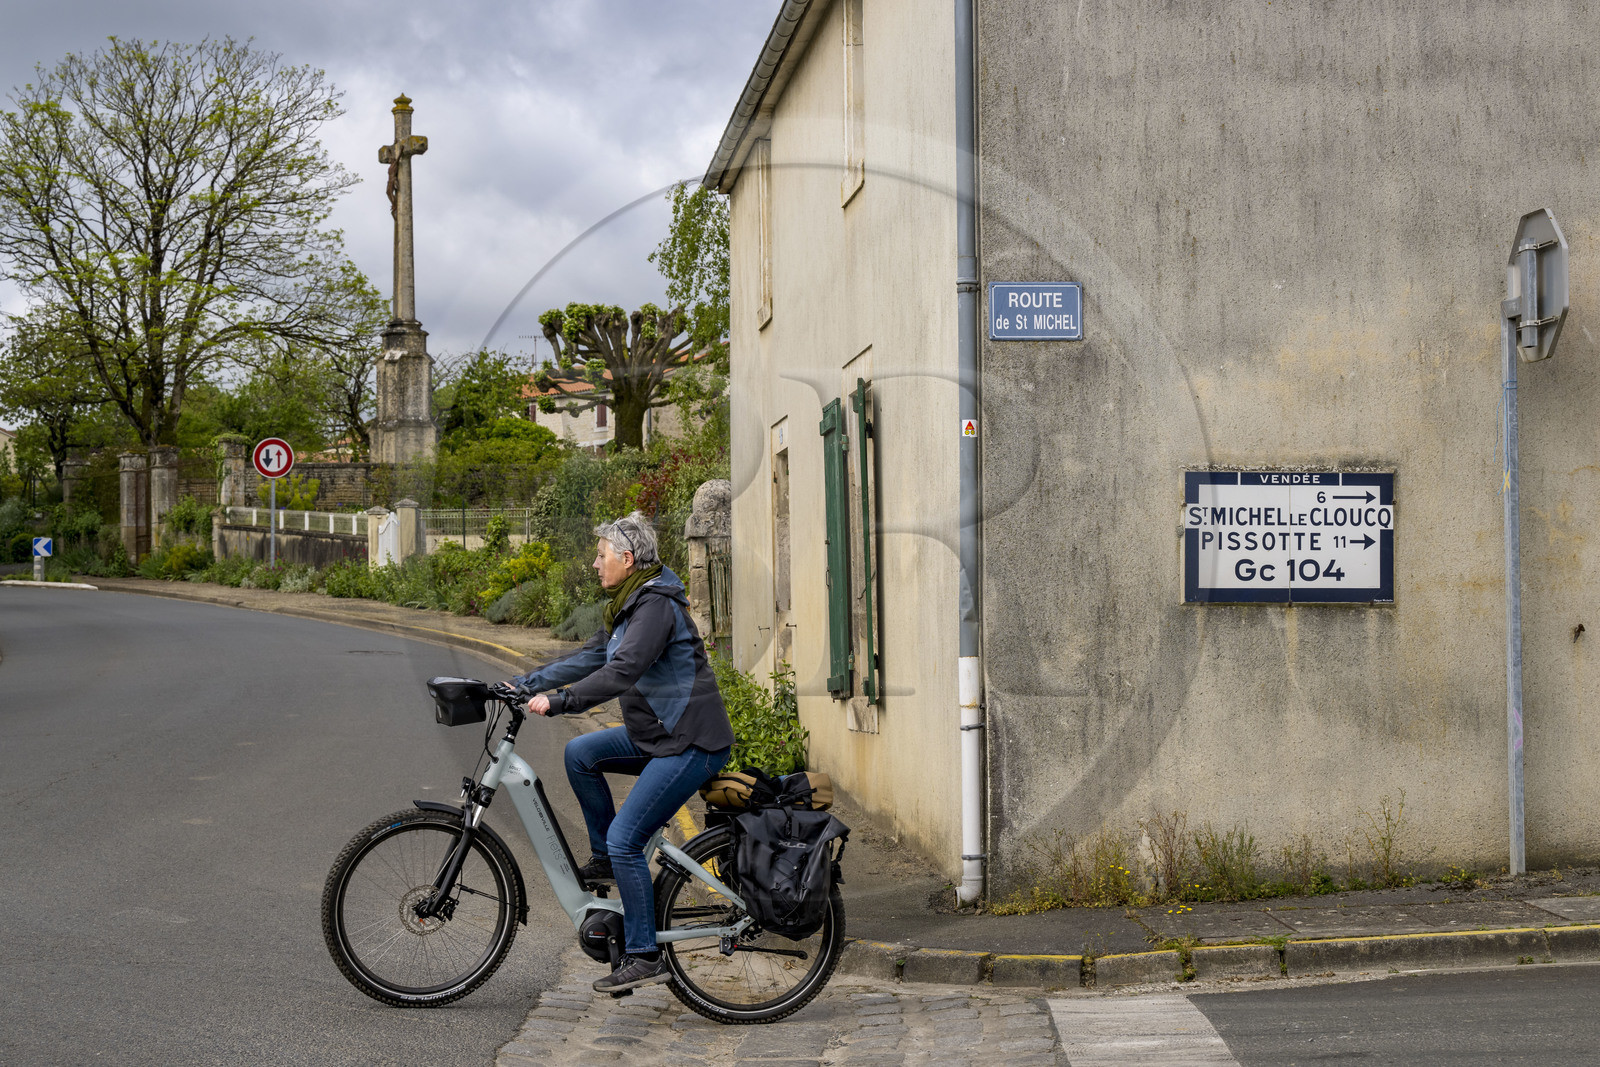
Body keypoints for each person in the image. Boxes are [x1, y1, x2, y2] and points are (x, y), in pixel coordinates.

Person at [505, 511, 734, 993]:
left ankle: (644, 952)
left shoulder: (655, 608)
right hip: (659, 734)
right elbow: (589, 659)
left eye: (602, 555)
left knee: (628, 838)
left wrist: (564, 701)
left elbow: (622, 671)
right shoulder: (629, 607)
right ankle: (607, 859)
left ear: (627, 560)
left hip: (691, 741)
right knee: (580, 754)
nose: (595, 563)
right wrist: (523, 684)